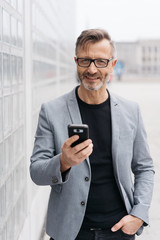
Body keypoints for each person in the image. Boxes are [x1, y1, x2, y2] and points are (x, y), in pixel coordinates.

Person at [30, 29, 154, 240]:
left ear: (112, 65)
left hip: (119, 230)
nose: (92, 69)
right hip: (70, 233)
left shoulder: (130, 111)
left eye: (100, 62)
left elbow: (144, 167)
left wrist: (139, 214)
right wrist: (63, 162)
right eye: (85, 61)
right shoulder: (51, 111)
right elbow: (36, 171)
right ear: (76, 62)